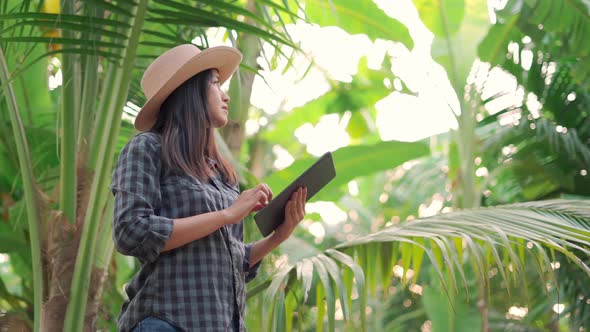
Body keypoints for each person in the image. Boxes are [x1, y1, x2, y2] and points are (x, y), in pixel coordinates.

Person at [110, 44, 307, 332]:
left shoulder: (219, 170)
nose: (226, 95)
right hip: (165, 323)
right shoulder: (147, 148)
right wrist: (227, 214)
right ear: (189, 92)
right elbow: (130, 231)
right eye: (216, 84)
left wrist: (280, 235)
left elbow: (231, 258)